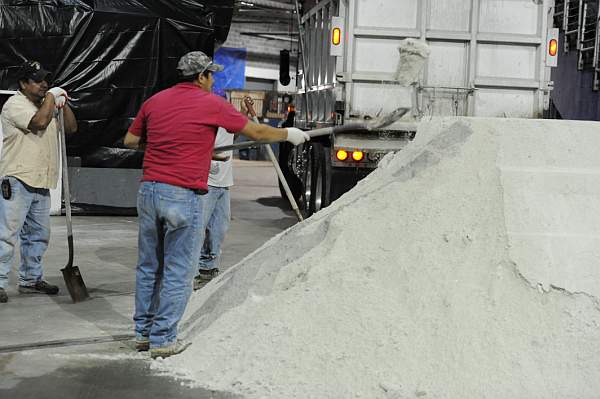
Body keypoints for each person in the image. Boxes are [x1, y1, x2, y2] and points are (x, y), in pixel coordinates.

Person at [123, 50, 310, 359]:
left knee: (149, 267)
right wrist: (289, 133)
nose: (213, 80)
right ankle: (163, 339)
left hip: (149, 192)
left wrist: (183, 147)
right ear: (200, 77)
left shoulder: (154, 102)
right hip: (182, 195)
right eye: (211, 75)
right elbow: (257, 132)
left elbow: (130, 141)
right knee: (179, 270)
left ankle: (142, 334)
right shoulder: (210, 103)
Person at [0, 60, 76, 303]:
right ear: (23, 83)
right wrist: (52, 99)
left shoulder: (47, 104)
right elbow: (39, 123)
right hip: (18, 178)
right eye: (38, 80)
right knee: (7, 235)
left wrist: (62, 105)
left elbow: (71, 128)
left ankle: (31, 280)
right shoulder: (15, 105)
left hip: (41, 180)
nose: (44, 84)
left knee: (38, 235)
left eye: (47, 80)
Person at [193, 126, 234, 290]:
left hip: (224, 182)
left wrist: (244, 114)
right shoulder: (205, 115)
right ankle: (192, 272)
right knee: (196, 229)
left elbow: (232, 136)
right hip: (206, 180)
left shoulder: (228, 115)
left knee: (219, 229)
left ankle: (208, 269)